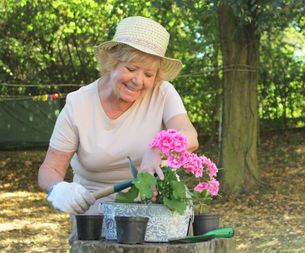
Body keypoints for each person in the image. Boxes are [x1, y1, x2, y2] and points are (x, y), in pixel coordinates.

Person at [37, 16, 199, 242]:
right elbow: (49, 168)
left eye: (148, 74)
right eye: (131, 68)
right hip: (96, 208)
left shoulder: (163, 93)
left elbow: (190, 137)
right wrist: (58, 189)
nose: (138, 80)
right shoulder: (79, 104)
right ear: (112, 63)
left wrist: (158, 148)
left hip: (156, 202)